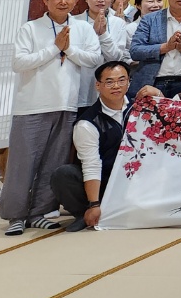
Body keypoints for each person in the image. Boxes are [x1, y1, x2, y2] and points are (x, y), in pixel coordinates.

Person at [1, 0, 102, 235]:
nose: (63, 1)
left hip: (67, 104)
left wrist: (70, 50)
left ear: (76, 0)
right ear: (46, 0)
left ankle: (39, 213)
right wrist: (54, 48)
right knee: (23, 164)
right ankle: (15, 215)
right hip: (31, 106)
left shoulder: (83, 28)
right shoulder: (30, 28)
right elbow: (19, 63)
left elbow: (94, 59)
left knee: (54, 163)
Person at [51, 63, 161, 231]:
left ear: (129, 83)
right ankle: (86, 213)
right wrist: (94, 204)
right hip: (104, 181)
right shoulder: (87, 123)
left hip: (136, 181)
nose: (116, 86)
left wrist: (159, 94)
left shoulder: (140, 109)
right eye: (109, 82)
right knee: (64, 174)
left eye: (121, 80)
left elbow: (171, 124)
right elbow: (91, 165)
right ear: (98, 85)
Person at [78, 0, 127, 106]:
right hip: (80, 84)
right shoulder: (75, 22)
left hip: (108, 87)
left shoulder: (119, 23)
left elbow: (116, 58)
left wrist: (103, 34)